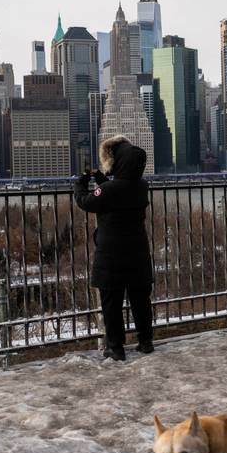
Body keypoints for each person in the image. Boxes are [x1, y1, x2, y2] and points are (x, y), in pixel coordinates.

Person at [74, 135, 155, 361]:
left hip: (112, 254)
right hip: (138, 251)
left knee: (112, 301)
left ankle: (115, 347)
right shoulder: (141, 186)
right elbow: (115, 192)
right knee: (140, 298)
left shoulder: (110, 190)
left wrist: (79, 186)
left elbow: (88, 202)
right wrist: (102, 179)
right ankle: (145, 341)